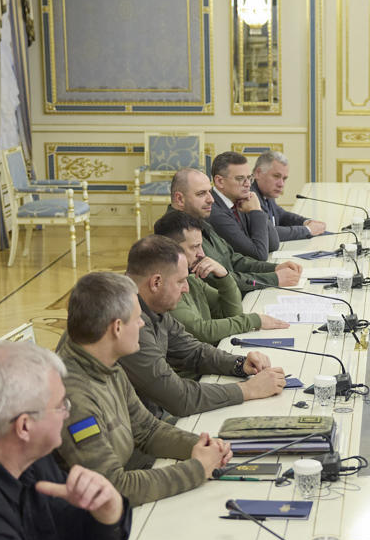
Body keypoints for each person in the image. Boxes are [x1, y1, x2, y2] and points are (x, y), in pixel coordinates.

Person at [0, 340, 169, 540]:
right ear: (24, 426)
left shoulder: (26, 454)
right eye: (61, 405)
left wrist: (108, 512)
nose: (67, 413)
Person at [56, 272, 233, 507]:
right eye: (137, 318)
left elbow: (147, 430)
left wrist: (205, 447)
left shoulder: (106, 364)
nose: (142, 324)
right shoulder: (73, 398)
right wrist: (197, 469)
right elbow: (113, 487)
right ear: (117, 328)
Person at [117, 235, 287, 418]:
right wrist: (247, 390)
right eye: (181, 281)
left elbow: (193, 352)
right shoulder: (130, 323)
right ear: (156, 283)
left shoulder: (152, 306)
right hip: (142, 433)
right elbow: (179, 398)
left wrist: (239, 364)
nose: (186, 289)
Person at [154, 210, 289, 344]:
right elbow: (202, 331)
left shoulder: (192, 279)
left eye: (201, 246)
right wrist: (255, 320)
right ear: (172, 248)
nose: (201, 254)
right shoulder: (164, 287)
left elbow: (233, 314)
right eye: (195, 247)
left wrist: (224, 276)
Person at [169, 167, 302, 293]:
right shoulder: (175, 233)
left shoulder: (197, 220)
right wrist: (274, 279)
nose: (211, 199)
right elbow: (216, 282)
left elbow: (234, 259)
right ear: (180, 199)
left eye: (209, 192)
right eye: (201, 194)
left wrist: (275, 268)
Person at [207, 151, 279, 260]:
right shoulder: (214, 212)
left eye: (249, 178)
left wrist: (257, 209)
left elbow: (273, 243)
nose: (248, 184)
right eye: (240, 178)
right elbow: (259, 255)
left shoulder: (241, 201)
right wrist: (256, 212)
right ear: (220, 181)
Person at [251, 150, 327, 241]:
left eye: (284, 178)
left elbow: (282, 215)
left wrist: (306, 222)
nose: (281, 184)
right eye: (276, 176)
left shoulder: (266, 193)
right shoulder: (249, 197)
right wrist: (308, 230)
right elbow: (267, 233)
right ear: (258, 173)